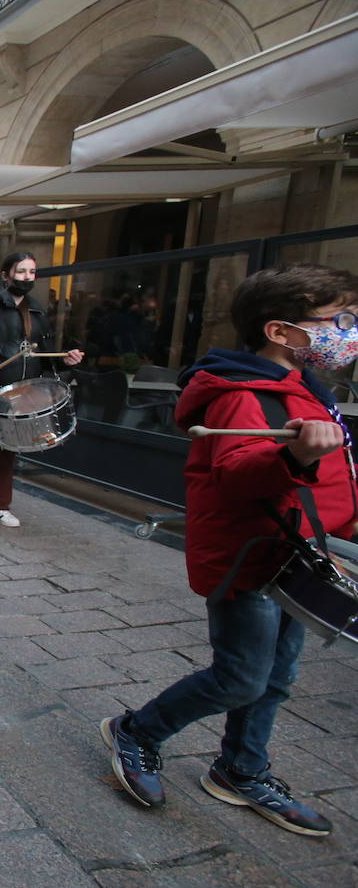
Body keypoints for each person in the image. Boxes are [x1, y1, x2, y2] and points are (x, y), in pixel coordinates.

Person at [101, 264, 358, 838]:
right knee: (241, 677)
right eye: (338, 319)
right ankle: (137, 731)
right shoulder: (243, 395)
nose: (348, 330)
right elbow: (237, 474)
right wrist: (295, 457)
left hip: (299, 558)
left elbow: (333, 482)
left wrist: (340, 533)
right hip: (252, 560)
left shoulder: (308, 391)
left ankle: (241, 769)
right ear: (281, 332)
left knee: (277, 676)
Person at [0, 251, 83, 530]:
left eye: (31, 272)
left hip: (23, 392)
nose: (27, 277)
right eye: (21, 271)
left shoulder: (37, 311)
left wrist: (64, 359)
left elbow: (44, 354)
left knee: (10, 449)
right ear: (6, 275)